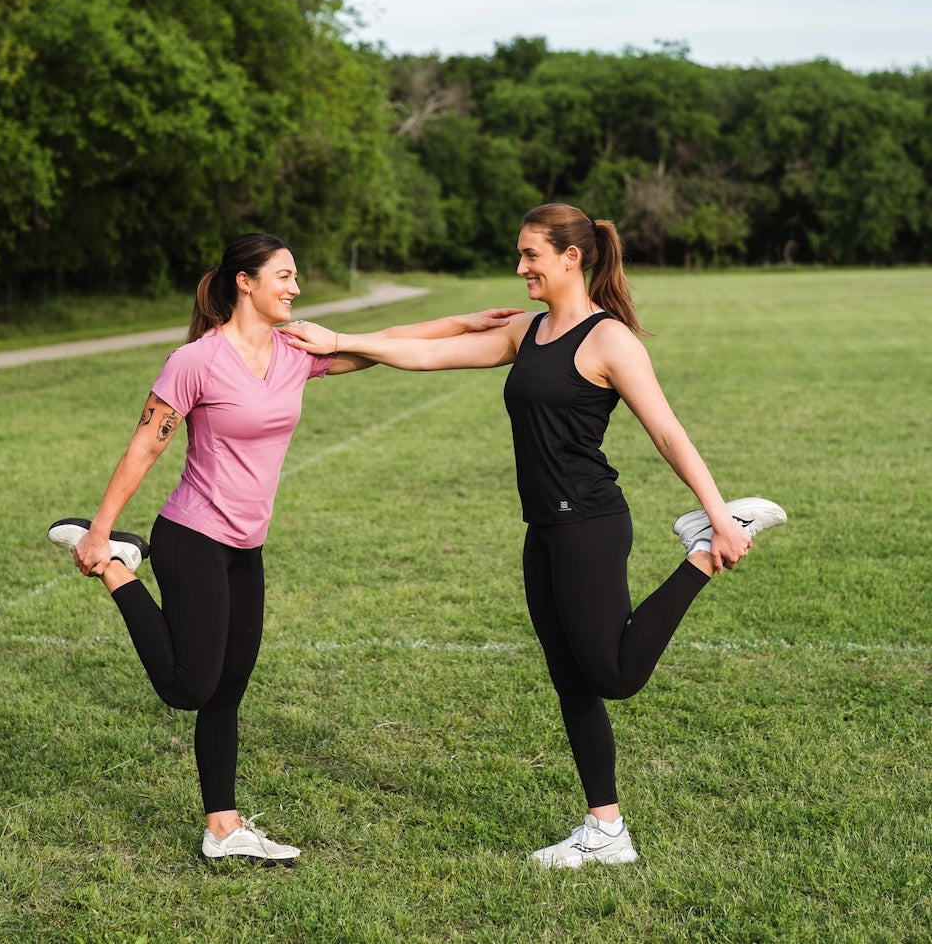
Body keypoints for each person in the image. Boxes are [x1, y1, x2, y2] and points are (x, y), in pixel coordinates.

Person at [283, 203, 787, 869]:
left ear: (570, 258)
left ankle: (699, 552)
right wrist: (346, 341)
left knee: (614, 673)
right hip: (545, 529)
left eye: (531, 255)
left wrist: (719, 515)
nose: (520, 267)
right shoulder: (531, 332)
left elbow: (667, 430)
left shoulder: (610, 341)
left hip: (590, 523)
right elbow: (433, 354)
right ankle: (605, 830)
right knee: (571, 679)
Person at [47, 232, 520, 866]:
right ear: (245, 282)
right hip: (192, 535)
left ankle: (223, 829)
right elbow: (146, 445)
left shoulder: (294, 350)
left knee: (226, 693)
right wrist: (102, 528)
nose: (296, 288)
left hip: (247, 545)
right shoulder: (195, 360)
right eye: (285, 276)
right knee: (188, 686)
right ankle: (115, 564)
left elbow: (380, 343)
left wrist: (464, 322)